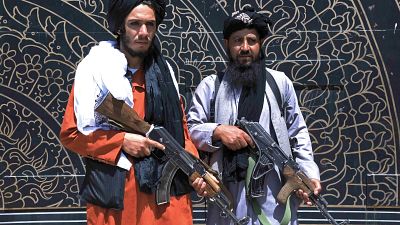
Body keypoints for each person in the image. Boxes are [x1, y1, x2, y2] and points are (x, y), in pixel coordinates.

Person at [60, 0, 202, 224]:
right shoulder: (95, 73)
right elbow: (72, 135)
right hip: (118, 200)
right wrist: (121, 141)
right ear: (120, 27)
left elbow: (182, 133)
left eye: (150, 25)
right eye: (135, 24)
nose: (144, 32)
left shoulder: (166, 75)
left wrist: (195, 169)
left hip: (167, 201)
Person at [188, 6, 322, 225]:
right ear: (227, 45)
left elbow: (298, 132)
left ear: (260, 44)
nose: (245, 47)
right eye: (237, 41)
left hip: (274, 194)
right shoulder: (211, 86)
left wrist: (309, 174)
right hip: (226, 192)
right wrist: (218, 131)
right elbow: (192, 129)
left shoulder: (279, 83)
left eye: (251, 40)